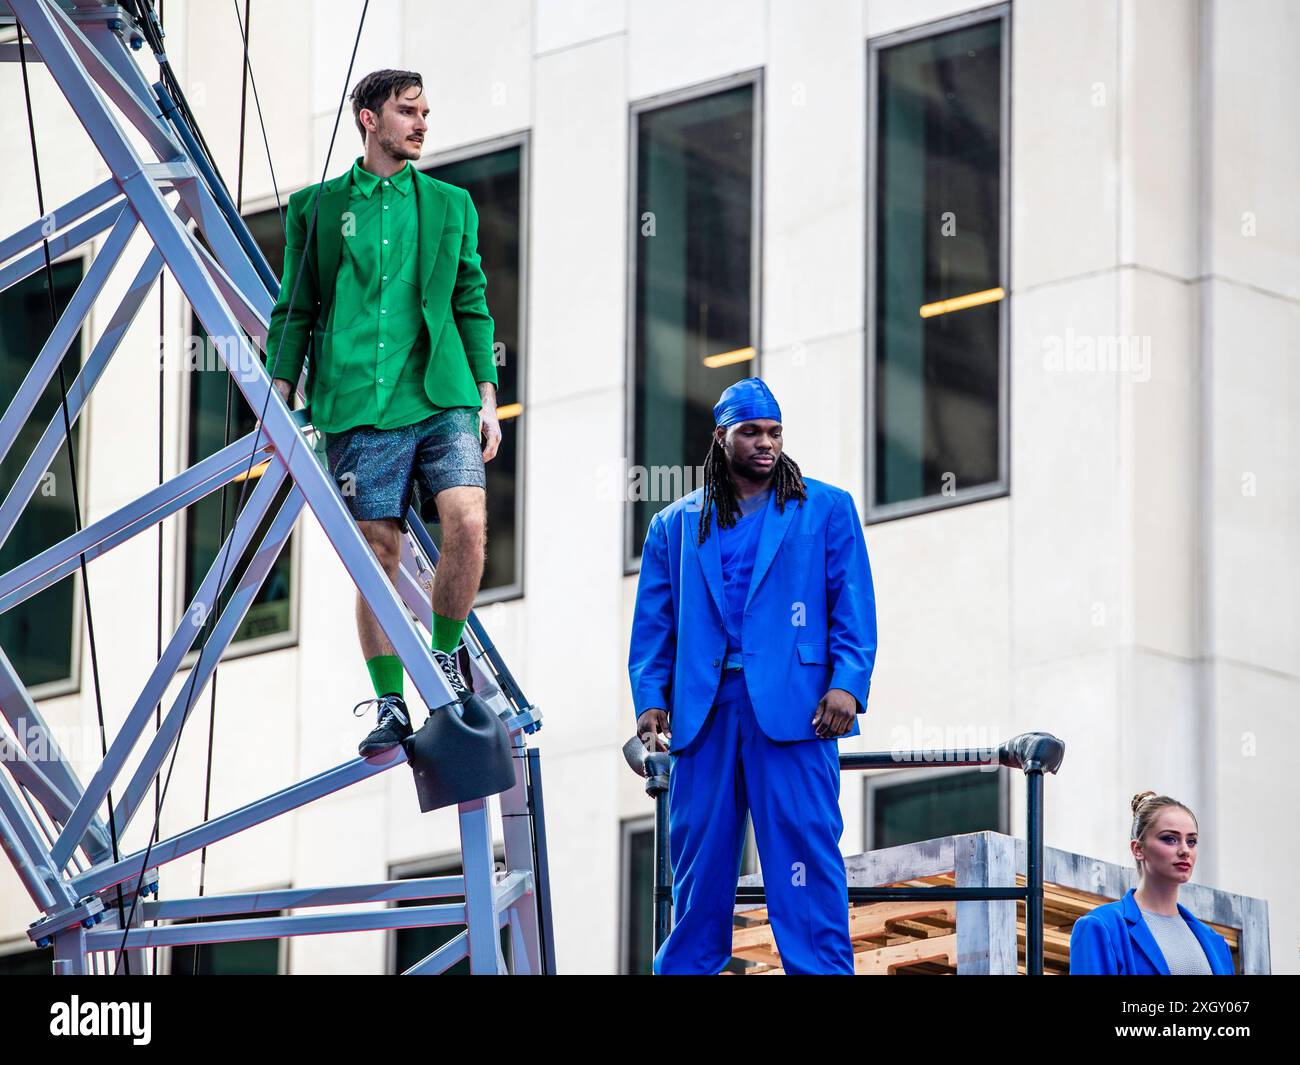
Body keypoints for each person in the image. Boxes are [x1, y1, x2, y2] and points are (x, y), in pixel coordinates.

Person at [263, 69, 501, 757]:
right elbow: (296, 307)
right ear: (369, 119)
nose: (421, 123)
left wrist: (488, 396)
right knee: (378, 553)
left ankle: (446, 653)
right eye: (407, 111)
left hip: (441, 395)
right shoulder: (317, 209)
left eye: (425, 111)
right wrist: (278, 393)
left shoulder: (451, 205)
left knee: (467, 521)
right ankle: (391, 699)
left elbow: (471, 304)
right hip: (356, 405)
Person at [628, 377, 877, 975]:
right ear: (722, 438)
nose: (766, 443)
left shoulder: (827, 507)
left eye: (774, 432)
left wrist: (847, 683)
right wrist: (650, 699)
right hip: (704, 714)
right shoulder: (674, 524)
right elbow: (654, 624)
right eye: (751, 433)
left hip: (798, 710)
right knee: (699, 866)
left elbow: (853, 604)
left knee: (804, 855)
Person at [1069, 791, 1235, 974]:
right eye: (1170, 839)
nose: (1185, 850)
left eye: (1191, 841)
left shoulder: (1217, 946)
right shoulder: (1101, 927)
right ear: (1138, 849)